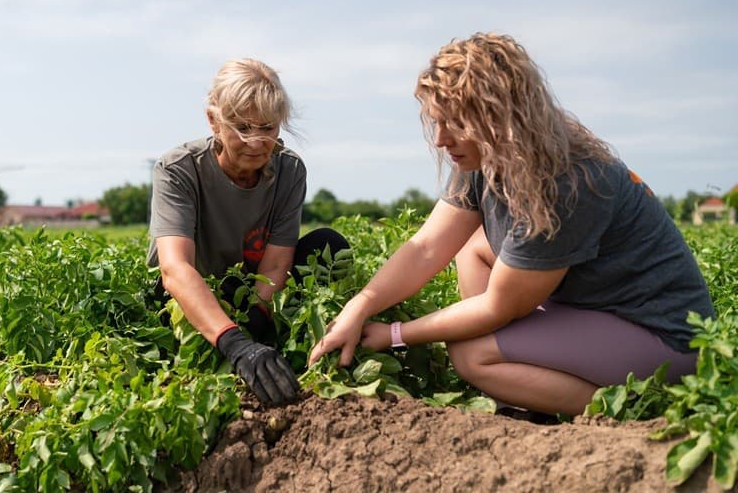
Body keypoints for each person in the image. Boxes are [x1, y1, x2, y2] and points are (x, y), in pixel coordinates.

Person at [308, 33, 714, 417]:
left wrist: (394, 334)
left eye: (455, 122)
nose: (441, 139)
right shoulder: (485, 157)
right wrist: (359, 306)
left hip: (658, 334)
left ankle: (631, 407)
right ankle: (522, 378)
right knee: (474, 247)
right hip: (591, 311)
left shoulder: (566, 183)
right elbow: (428, 247)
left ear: (501, 117)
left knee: (471, 354)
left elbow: (499, 306)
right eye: (437, 122)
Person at [148, 58, 348, 406]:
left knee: (328, 246)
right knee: (175, 302)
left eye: (267, 128)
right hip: (191, 294)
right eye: (241, 127)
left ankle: (297, 353)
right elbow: (175, 270)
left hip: (250, 290)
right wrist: (235, 344)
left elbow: (275, 266)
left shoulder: (288, 170)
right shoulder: (179, 170)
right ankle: (214, 349)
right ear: (214, 120)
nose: (256, 142)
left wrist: (255, 329)